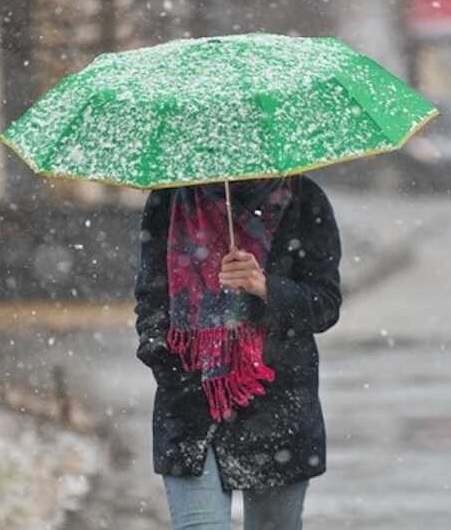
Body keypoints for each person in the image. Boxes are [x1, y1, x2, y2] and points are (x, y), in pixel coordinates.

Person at [133, 174, 342, 530]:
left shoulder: (303, 199)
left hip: (276, 401)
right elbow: (152, 297)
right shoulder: (170, 200)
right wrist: (165, 357)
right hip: (190, 403)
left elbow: (325, 304)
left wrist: (265, 288)